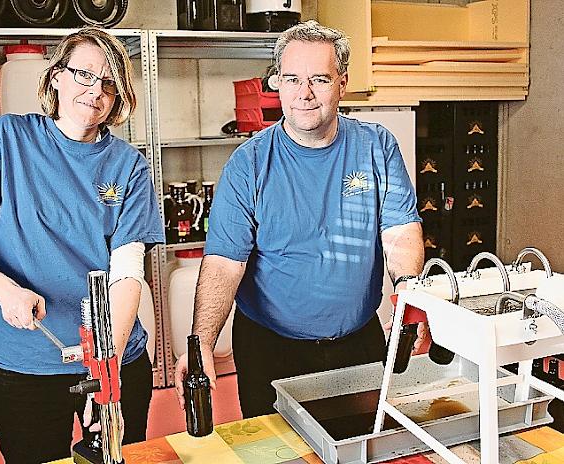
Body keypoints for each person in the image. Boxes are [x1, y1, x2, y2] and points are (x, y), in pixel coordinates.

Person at [0, 27, 164, 463]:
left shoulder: (130, 167)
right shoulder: (7, 139)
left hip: (115, 359)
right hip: (28, 365)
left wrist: (104, 373)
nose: (95, 91)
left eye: (109, 83)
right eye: (84, 74)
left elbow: (128, 273)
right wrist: (5, 291)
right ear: (56, 77)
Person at [174, 20, 425, 419]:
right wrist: (202, 341)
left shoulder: (376, 147)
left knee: (360, 445)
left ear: (343, 82)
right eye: (291, 79)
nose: (304, 94)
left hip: (357, 344)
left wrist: (410, 300)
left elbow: (399, 233)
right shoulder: (249, 164)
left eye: (319, 79)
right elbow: (224, 263)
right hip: (270, 351)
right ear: (276, 82)